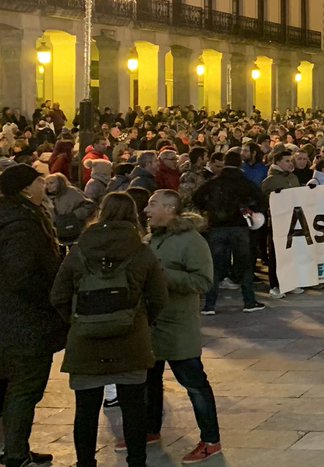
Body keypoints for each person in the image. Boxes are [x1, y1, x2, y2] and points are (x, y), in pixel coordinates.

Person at [50, 192, 168, 467]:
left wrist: (79, 320)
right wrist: (140, 320)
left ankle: (85, 462)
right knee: (133, 407)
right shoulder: (142, 251)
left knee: (86, 409)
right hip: (130, 339)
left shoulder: (79, 250)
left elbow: (58, 295)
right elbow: (160, 298)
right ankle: (137, 461)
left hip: (85, 340)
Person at [143, 190, 222, 464]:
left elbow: (202, 281)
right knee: (149, 382)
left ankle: (210, 440)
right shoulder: (153, 238)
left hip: (178, 327)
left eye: (152, 204)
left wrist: (161, 274)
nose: (146, 209)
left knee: (194, 384)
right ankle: (150, 429)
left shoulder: (192, 241)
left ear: (170, 208)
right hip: (150, 325)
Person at [0, 165, 67, 467]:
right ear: (27, 188)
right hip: (22, 319)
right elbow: (22, 273)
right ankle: (15, 453)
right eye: (40, 181)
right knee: (26, 388)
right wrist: (49, 300)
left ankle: (13, 447)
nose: (45, 185)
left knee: (8, 387)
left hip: (11, 317)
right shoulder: (22, 222)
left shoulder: (15, 216)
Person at [192, 150, 267, 314]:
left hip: (217, 227)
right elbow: (260, 198)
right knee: (245, 265)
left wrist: (209, 209)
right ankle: (249, 301)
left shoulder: (214, 181)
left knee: (216, 266)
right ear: (240, 163)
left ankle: (209, 305)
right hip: (239, 227)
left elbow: (196, 197)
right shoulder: (244, 182)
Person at [260, 150, 300, 297]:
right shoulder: (270, 181)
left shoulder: (293, 178)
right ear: (277, 163)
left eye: (291, 160)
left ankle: (290, 282)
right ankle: (275, 285)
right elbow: (263, 202)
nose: (291, 163)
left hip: (293, 220)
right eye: (287, 161)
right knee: (276, 255)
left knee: (292, 252)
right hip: (277, 223)